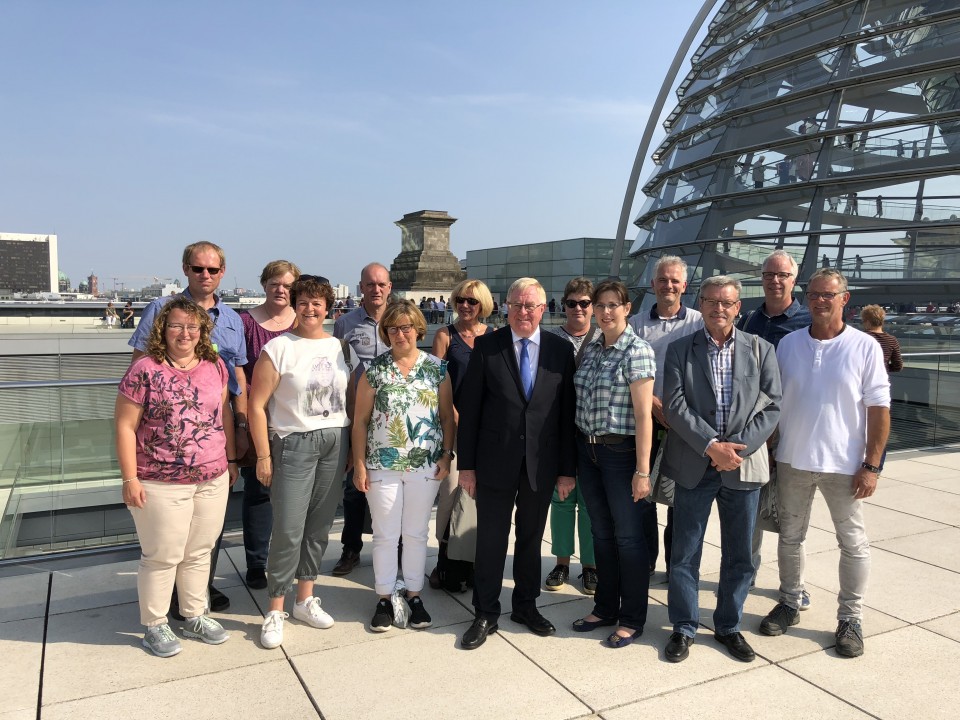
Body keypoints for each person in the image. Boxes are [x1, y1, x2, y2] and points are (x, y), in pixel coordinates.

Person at [759, 269, 890, 658]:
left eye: (828, 295)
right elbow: (774, 403)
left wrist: (872, 465)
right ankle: (789, 601)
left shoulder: (865, 346)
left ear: (844, 299)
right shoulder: (789, 345)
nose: (820, 300)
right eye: (814, 294)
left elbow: (880, 409)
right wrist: (769, 448)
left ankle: (850, 619)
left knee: (852, 543)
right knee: (789, 538)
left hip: (845, 466)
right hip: (793, 460)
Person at [661, 277, 781, 664]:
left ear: (738, 307)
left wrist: (735, 450)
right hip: (695, 463)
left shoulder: (761, 349)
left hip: (742, 467)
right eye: (711, 301)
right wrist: (711, 446)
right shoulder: (681, 349)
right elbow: (675, 405)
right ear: (700, 303)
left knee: (740, 555)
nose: (718, 308)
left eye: (726, 302)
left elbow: (772, 406)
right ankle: (683, 626)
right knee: (684, 552)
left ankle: (728, 626)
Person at [456, 277, 577, 650]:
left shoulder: (559, 350)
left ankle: (525, 605)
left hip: (541, 464)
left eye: (531, 306)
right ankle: (486, 612)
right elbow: (471, 410)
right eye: (517, 305)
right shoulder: (486, 347)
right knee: (491, 540)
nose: (524, 312)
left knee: (529, 538)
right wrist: (467, 466)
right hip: (494, 462)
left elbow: (566, 413)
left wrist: (566, 469)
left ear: (544, 309)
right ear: (506, 306)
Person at [129, 241, 247, 616]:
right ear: (186, 269)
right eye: (199, 269)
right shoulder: (159, 310)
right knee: (166, 543)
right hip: (164, 452)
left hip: (212, 443)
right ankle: (161, 612)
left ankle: (198, 597)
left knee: (202, 540)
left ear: (223, 272)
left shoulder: (232, 320)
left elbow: (237, 376)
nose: (205, 275)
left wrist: (239, 428)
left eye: (213, 270)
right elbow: (139, 371)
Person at [115, 296, 238, 658]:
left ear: (202, 332)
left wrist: (230, 459)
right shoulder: (144, 369)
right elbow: (124, 426)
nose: (184, 333)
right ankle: (155, 624)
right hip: (158, 478)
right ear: (162, 329)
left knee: (199, 551)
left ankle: (195, 614)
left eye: (192, 326)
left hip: (212, 476)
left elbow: (223, 415)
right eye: (176, 325)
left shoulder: (215, 366)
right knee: (162, 554)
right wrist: (129, 479)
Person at [249, 276, 359, 650]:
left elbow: (351, 400)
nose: (310, 309)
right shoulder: (278, 348)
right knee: (288, 528)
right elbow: (255, 405)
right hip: (293, 443)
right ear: (294, 305)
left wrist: (351, 451)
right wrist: (263, 454)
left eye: (318, 303)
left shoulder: (340, 346)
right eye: (304, 302)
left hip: (335, 440)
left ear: (329, 307)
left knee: (319, 525)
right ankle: (276, 608)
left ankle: (304, 599)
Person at [352, 300, 455, 631]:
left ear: (418, 329)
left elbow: (447, 417)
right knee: (384, 535)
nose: (400, 334)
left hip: (426, 464)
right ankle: (383, 598)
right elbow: (360, 422)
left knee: (415, 533)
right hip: (382, 463)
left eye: (406, 327)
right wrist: (358, 465)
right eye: (393, 328)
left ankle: (414, 595)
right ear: (386, 333)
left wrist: (447, 454)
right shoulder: (375, 371)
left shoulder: (437, 368)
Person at [572, 280, 655, 649]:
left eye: (612, 305)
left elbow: (643, 416)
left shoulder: (637, 351)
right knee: (601, 535)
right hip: (588, 454)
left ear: (627, 308)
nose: (605, 312)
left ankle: (632, 617)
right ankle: (605, 606)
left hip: (621, 456)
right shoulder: (591, 349)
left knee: (629, 538)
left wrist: (642, 471)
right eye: (600, 305)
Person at [738, 250, 812, 603]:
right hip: (755, 431)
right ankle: (746, 574)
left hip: (791, 432)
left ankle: (792, 587)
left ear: (793, 279)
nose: (775, 280)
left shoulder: (807, 322)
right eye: (769, 274)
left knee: (790, 516)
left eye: (782, 275)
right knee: (750, 509)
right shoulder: (750, 320)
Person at [629, 256, 703, 574]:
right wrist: (652, 403)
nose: (668, 285)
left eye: (674, 281)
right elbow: (627, 372)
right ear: (653, 284)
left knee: (680, 499)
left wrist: (678, 409)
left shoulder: (699, 323)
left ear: (684, 286)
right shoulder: (636, 325)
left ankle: (677, 565)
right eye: (663, 279)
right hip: (645, 420)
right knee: (642, 495)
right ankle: (645, 561)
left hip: (683, 425)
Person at [236, 260, 300, 590]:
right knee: (259, 490)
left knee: (294, 492)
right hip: (257, 417)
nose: (281, 290)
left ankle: (289, 559)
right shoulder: (246, 322)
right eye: (275, 283)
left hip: (294, 420)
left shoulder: (304, 321)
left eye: (288, 285)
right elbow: (237, 370)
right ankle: (256, 561)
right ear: (264, 285)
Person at [429, 279, 495, 593]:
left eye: (472, 301)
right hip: (453, 428)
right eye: (461, 300)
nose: (466, 306)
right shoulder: (445, 336)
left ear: (483, 304)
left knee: (476, 498)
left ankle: (466, 560)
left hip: (485, 431)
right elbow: (438, 385)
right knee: (451, 494)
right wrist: (457, 420)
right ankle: (443, 560)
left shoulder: (494, 337)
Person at [331, 263, 392, 576]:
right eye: (370, 284)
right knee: (356, 486)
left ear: (389, 287)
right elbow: (338, 369)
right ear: (361, 288)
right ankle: (350, 549)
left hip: (395, 419)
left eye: (381, 284)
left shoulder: (401, 321)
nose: (376, 290)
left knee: (393, 486)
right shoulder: (345, 324)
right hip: (359, 416)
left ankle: (395, 549)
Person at [544, 278, 602, 594]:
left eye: (584, 302)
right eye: (572, 303)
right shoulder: (551, 340)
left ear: (592, 306)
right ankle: (562, 562)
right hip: (560, 432)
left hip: (593, 432)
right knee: (562, 498)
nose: (578, 308)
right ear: (563, 305)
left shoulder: (604, 339)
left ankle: (590, 566)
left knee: (591, 502)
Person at [861, 305, 903, 375]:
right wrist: (883, 368)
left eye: (863, 321)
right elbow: (898, 366)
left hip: (863, 381)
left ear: (867, 322)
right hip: (882, 381)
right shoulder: (892, 340)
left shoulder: (860, 338)